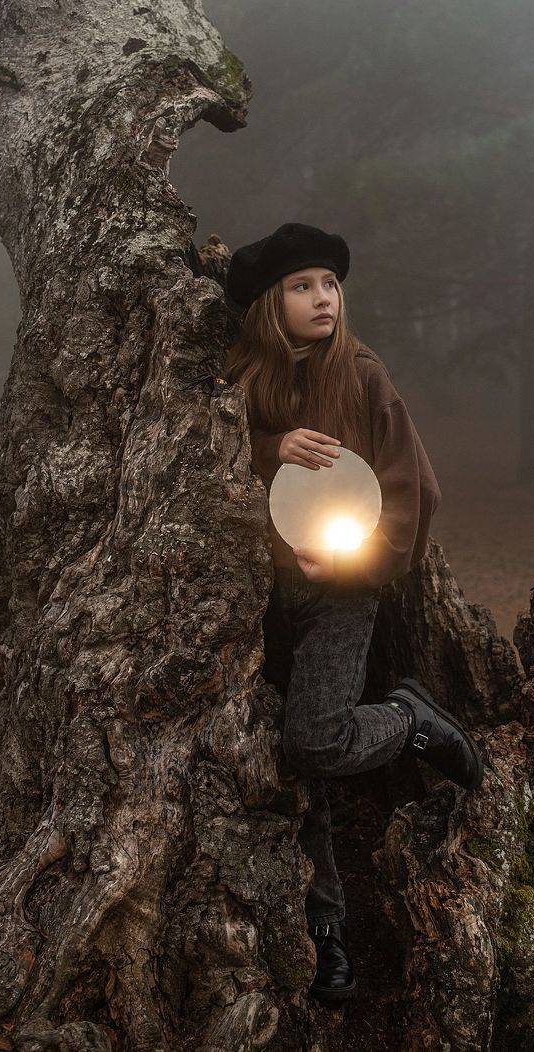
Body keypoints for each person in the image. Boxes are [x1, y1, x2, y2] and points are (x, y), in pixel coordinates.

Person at [223, 221, 484, 1006]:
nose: (322, 298)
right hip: (253, 599)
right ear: (267, 304)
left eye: (330, 284)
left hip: (339, 593)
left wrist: (355, 564)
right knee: (287, 767)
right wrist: (269, 447)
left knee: (315, 738)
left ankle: (409, 719)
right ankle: (324, 922)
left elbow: (415, 490)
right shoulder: (240, 378)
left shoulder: (362, 375)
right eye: (301, 286)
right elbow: (196, 454)